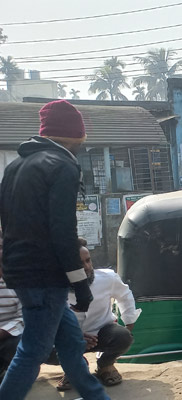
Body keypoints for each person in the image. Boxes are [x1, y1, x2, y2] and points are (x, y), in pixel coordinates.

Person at [0, 100, 108, 399]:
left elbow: (8, 224)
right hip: (44, 276)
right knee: (32, 351)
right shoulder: (63, 165)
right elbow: (62, 231)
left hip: (20, 272)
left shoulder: (16, 167)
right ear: (76, 137)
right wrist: (80, 285)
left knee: (71, 344)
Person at [56, 238, 140, 390]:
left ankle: (105, 365)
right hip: (68, 340)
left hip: (103, 335)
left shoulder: (107, 278)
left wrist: (129, 321)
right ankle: (74, 366)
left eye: (88, 261)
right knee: (44, 347)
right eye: (79, 264)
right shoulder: (52, 288)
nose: (87, 267)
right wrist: (74, 337)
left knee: (123, 337)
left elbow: (125, 295)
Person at [0, 230, 23, 384]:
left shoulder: (18, 280)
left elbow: (24, 316)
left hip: (7, 338)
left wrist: (3, 332)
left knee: (21, 343)